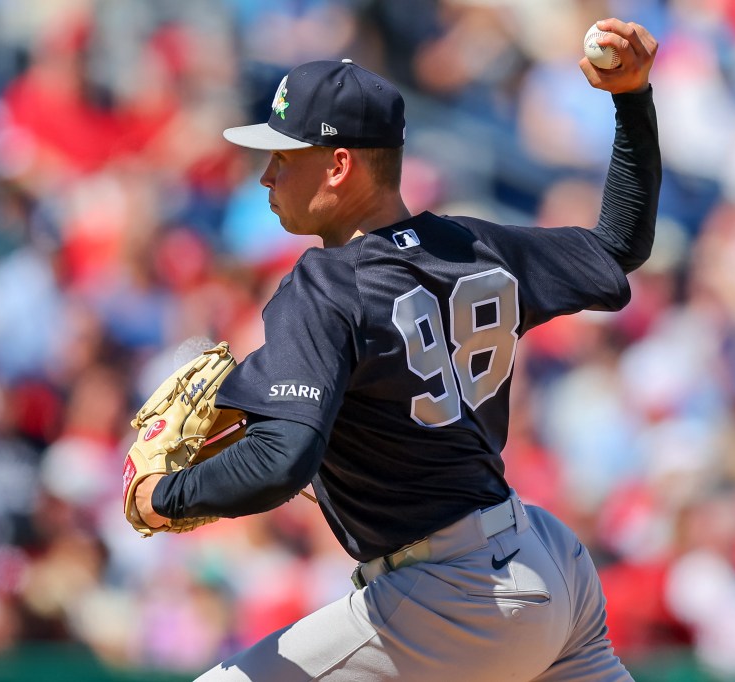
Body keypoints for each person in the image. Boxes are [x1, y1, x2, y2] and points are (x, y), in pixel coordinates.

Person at [133, 17, 660, 681]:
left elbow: (280, 461)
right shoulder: (474, 244)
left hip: (454, 597)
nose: (267, 175)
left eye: (284, 157)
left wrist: (165, 496)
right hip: (547, 561)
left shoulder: (324, 283)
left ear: (339, 165)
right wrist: (633, 99)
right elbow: (619, 245)